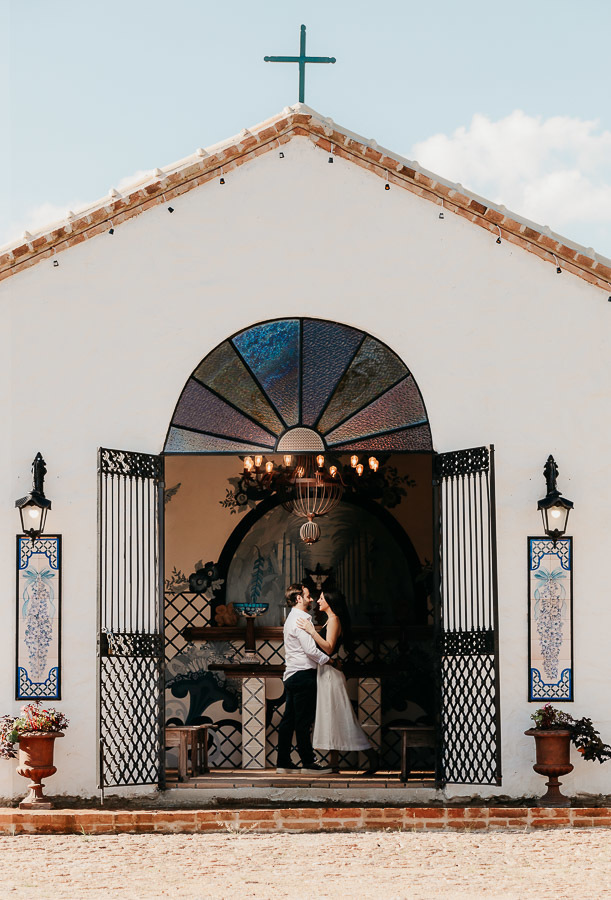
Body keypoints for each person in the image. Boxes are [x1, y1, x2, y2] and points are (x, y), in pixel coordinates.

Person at [297, 588, 379, 774]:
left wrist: (311, 631)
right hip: (327, 673)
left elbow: (328, 648)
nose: (318, 601)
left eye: (322, 598)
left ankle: (371, 755)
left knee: (342, 715)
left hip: (331, 675)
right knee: (331, 715)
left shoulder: (334, 621)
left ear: (331, 602)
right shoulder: (330, 621)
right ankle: (334, 763)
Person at [276, 583, 333, 775]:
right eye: (308, 596)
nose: (311, 599)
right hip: (303, 675)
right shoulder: (301, 619)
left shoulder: (292, 618)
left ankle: (283, 762)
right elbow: (310, 650)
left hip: (292, 674)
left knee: (289, 721)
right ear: (299, 598)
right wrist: (329, 660)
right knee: (303, 721)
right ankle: (308, 763)